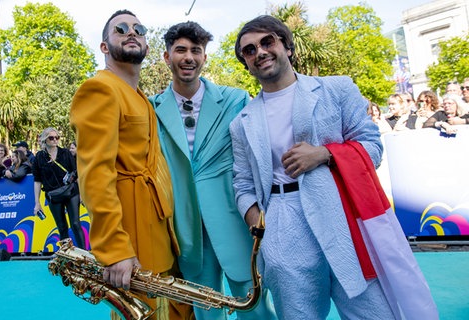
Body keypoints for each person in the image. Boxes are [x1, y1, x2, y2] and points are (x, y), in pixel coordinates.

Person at [231, 15, 438, 319]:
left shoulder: (337, 90)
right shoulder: (242, 122)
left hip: (344, 216)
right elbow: (243, 183)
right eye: (249, 50)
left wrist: (325, 154)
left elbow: (373, 147)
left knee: (375, 313)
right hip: (282, 224)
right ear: (246, 63)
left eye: (267, 42)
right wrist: (260, 224)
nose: (259, 52)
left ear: (287, 47)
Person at [70, 10, 193, 320]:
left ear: (148, 46)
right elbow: (95, 174)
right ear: (104, 46)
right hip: (132, 240)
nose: (132, 32)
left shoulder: (138, 96)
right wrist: (115, 249)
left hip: (160, 232)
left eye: (139, 29)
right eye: (121, 29)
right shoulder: (100, 89)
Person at [150, 21, 276, 320]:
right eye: (180, 50)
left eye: (196, 50)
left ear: (205, 57)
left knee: (257, 310)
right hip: (186, 228)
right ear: (167, 57)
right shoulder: (151, 108)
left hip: (236, 220)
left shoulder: (235, 100)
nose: (189, 57)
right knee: (205, 313)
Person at [32, 127, 86, 250]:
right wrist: (37, 203)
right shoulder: (39, 157)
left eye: (57, 137)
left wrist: (82, 194)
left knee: (76, 224)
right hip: (53, 195)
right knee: (61, 227)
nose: (55, 140)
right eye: (51, 138)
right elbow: (37, 181)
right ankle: (66, 256)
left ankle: (85, 254)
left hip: (71, 192)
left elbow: (75, 174)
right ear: (45, 140)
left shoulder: (65, 153)